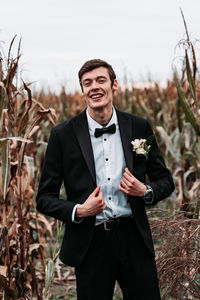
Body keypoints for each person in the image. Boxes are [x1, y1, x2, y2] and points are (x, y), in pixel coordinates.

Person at [36, 59, 174, 300]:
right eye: (87, 83)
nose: (94, 87)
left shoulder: (139, 127)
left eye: (101, 80)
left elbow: (165, 180)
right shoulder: (63, 135)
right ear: (82, 91)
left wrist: (145, 190)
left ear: (114, 84)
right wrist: (80, 210)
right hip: (91, 243)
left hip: (134, 237)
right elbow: (44, 198)